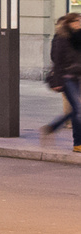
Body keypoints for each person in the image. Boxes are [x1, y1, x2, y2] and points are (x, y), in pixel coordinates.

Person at [41, 13, 81, 151]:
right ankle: (77, 143)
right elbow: (56, 61)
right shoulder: (61, 38)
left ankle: (53, 127)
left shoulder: (78, 37)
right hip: (66, 77)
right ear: (69, 23)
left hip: (77, 76)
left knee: (77, 110)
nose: (79, 23)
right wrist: (57, 80)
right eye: (76, 21)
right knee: (78, 110)